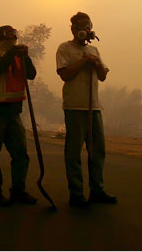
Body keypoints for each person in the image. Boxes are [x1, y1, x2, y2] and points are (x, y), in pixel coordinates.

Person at [56, 12, 117, 208]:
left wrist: (96, 62)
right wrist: (84, 61)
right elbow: (65, 75)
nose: (84, 30)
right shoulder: (65, 48)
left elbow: (102, 76)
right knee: (74, 153)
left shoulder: (94, 49)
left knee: (97, 151)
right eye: (80, 26)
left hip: (94, 107)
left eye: (87, 26)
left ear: (90, 29)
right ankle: (76, 193)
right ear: (73, 29)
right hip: (75, 106)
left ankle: (97, 190)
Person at [0, 25, 38, 206]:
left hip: (13, 112)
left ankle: (18, 191)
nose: (12, 40)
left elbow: (32, 75)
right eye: (8, 37)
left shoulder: (19, 55)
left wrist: (26, 57)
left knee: (20, 154)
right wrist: (12, 53)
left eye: (14, 37)